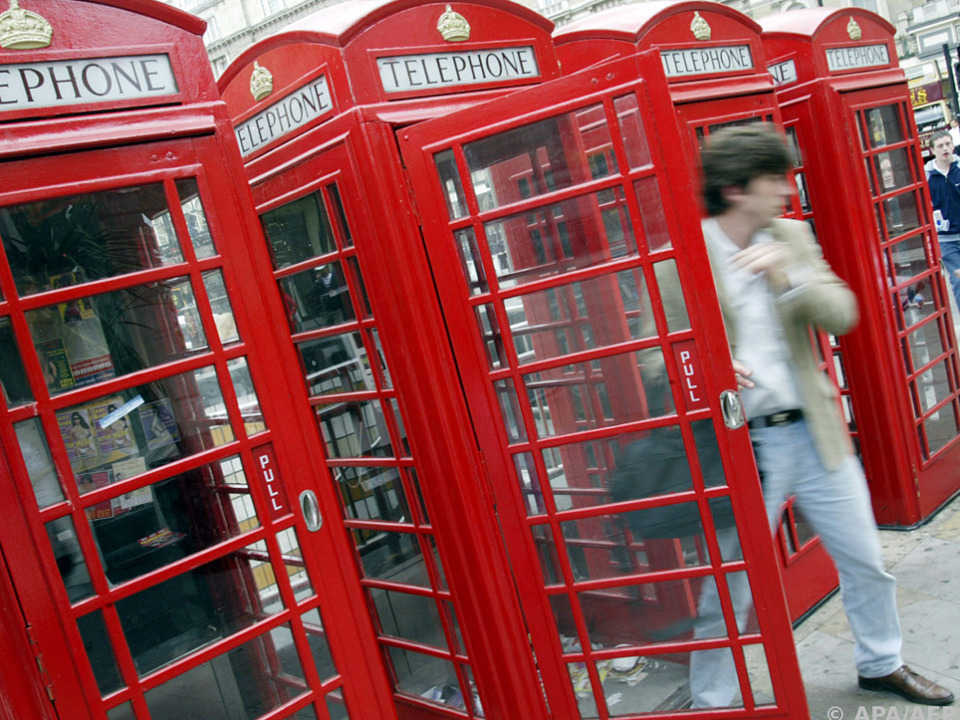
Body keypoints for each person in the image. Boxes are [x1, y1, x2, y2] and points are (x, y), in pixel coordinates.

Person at [692, 125, 954, 707]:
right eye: (772, 181)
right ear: (737, 189)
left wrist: (790, 277)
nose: (785, 191)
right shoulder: (685, 253)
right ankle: (713, 700)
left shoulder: (792, 235)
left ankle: (882, 662)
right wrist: (710, 367)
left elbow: (844, 312)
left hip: (814, 433)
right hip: (742, 446)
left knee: (865, 557)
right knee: (729, 588)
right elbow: (655, 356)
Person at [925, 130, 960, 311]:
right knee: (958, 280)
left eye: (947, 144)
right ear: (932, 150)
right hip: (947, 239)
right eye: (940, 146)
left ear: (953, 146)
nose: (945, 148)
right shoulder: (927, 175)